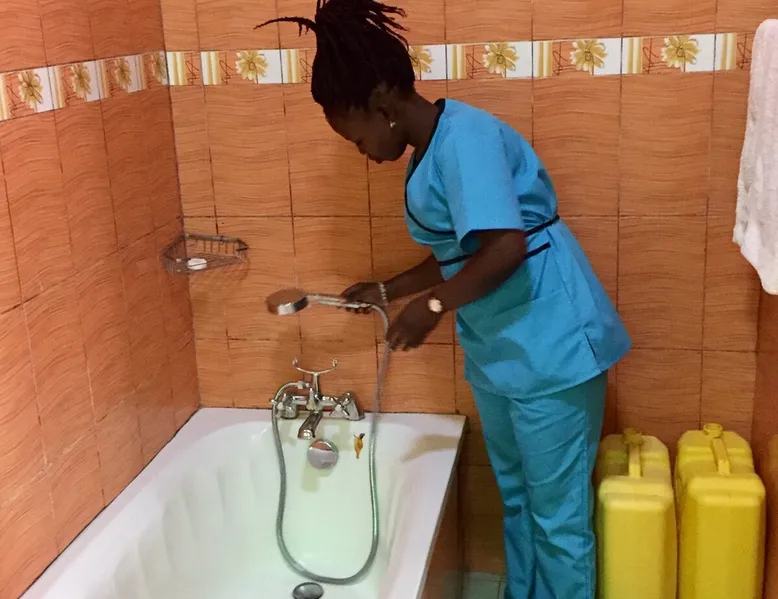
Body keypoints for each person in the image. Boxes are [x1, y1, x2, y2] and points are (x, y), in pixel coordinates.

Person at [259, 2, 631, 598]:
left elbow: (505, 248)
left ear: (382, 103)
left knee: (558, 520)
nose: (362, 152)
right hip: (502, 351)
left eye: (357, 137)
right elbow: (465, 252)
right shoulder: (431, 152)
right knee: (518, 500)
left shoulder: (465, 139)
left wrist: (430, 308)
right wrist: (390, 290)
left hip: (552, 347)